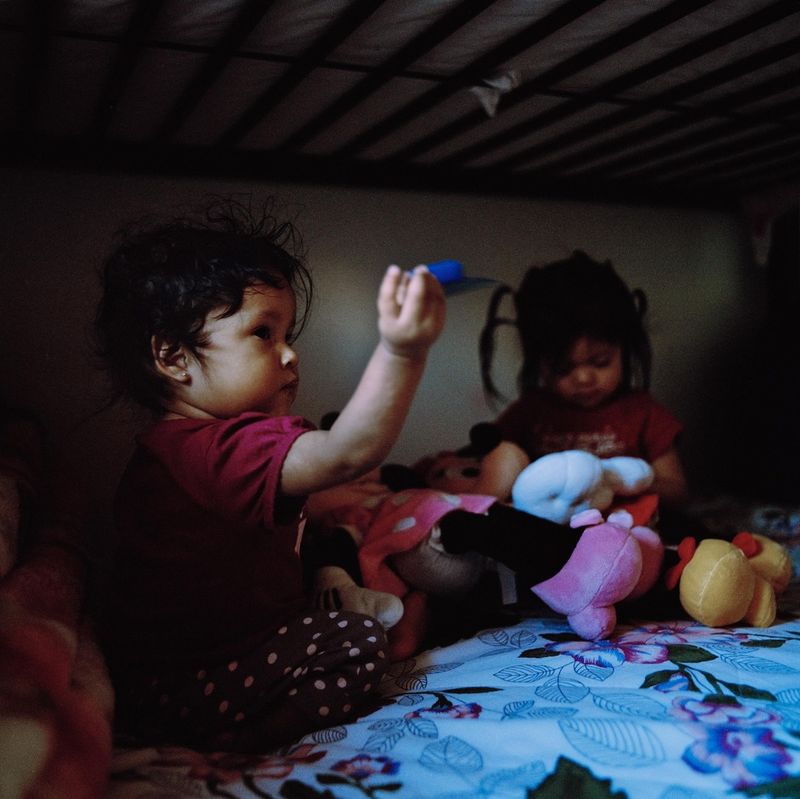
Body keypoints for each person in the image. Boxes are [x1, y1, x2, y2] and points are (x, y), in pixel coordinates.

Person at [93, 197, 446, 752]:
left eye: (287, 336)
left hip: (160, 677)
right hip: (189, 683)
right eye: (263, 333)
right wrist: (403, 352)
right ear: (174, 357)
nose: (290, 356)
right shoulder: (221, 448)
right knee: (356, 643)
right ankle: (246, 744)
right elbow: (349, 450)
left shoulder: (180, 450)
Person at [475, 251, 689, 519]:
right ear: (538, 363)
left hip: (624, 534)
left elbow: (677, 493)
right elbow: (490, 471)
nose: (584, 379)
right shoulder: (530, 412)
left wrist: (613, 481)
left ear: (625, 350)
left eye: (600, 362)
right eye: (563, 369)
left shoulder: (642, 413)